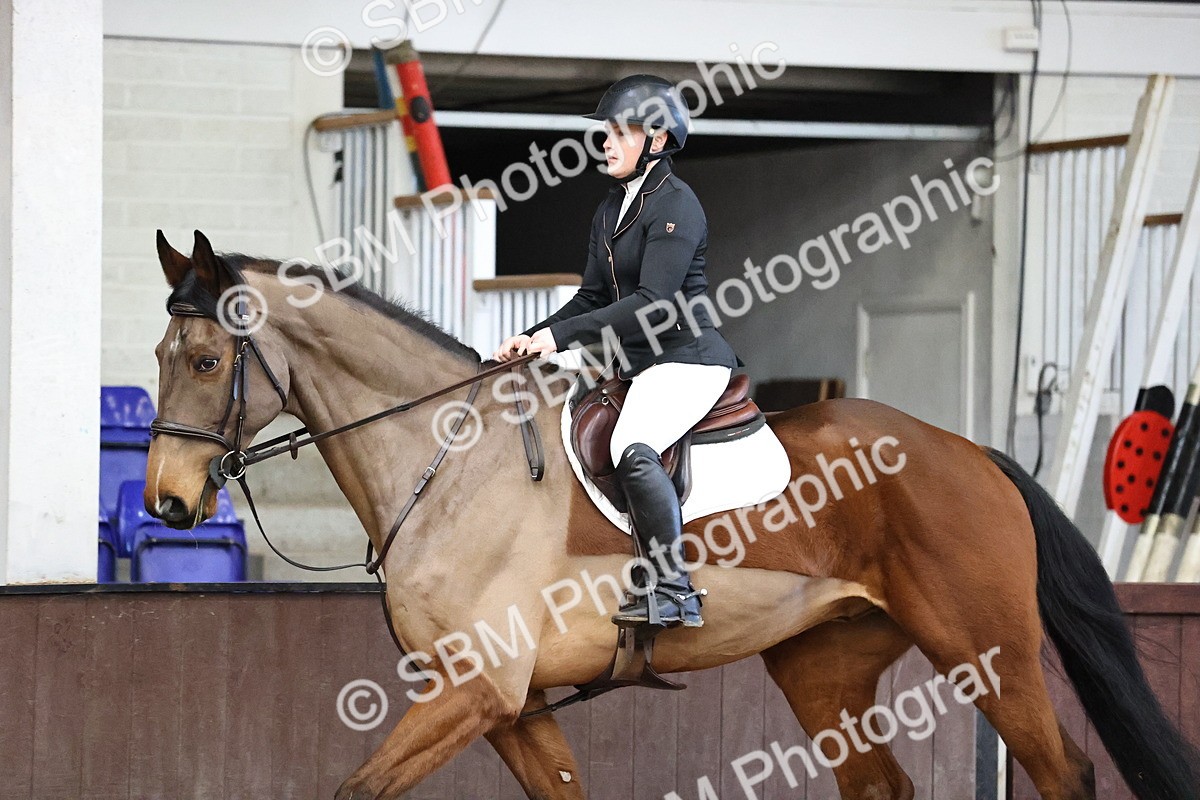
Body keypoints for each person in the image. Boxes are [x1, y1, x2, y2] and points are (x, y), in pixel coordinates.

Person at [493, 74, 743, 628]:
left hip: (685, 358)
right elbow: (591, 296)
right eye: (605, 132)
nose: (605, 141)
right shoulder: (612, 206)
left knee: (633, 444)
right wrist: (532, 335)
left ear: (655, 139)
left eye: (618, 131)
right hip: (639, 362)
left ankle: (673, 588)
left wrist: (560, 340)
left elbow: (655, 301)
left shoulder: (678, 205)